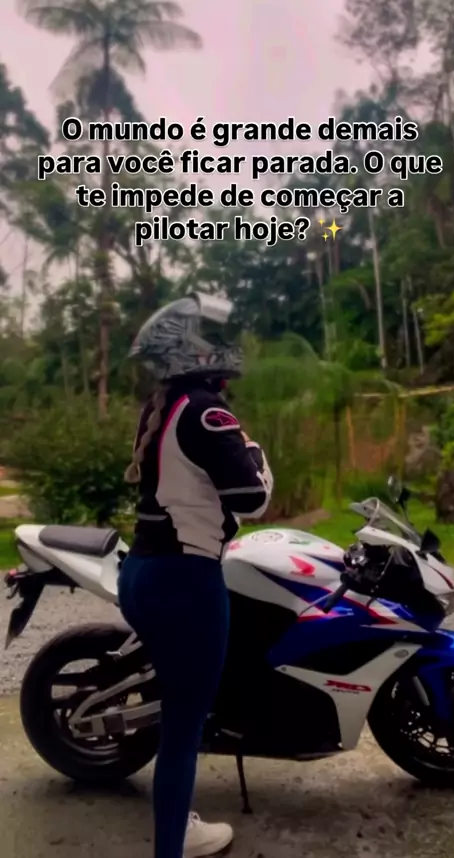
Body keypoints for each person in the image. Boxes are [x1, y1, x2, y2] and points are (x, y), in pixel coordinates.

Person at [118, 292, 273, 858]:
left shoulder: (162, 407)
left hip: (141, 573)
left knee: (177, 709)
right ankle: (172, 846)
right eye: (213, 336)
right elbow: (253, 498)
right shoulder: (208, 411)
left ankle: (178, 821)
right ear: (195, 349)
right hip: (186, 581)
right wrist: (256, 452)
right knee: (183, 729)